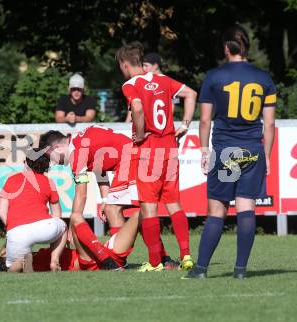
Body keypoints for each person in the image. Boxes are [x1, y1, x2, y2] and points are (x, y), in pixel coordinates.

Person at [185, 25, 276, 279]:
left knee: (217, 210)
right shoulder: (263, 78)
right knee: (246, 209)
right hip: (252, 150)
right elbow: (269, 124)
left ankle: (201, 270)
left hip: (226, 152)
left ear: (227, 48)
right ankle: (240, 271)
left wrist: (204, 151)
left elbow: (204, 121)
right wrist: (266, 155)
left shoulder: (214, 76)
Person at [39, 125, 180, 270]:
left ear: (57, 147)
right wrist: (105, 200)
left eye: (51, 158)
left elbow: (81, 194)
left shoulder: (76, 153)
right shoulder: (82, 139)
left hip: (133, 160)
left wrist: (72, 226)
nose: (54, 163)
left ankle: (142, 259)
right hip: (137, 158)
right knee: (117, 209)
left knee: (120, 210)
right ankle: (154, 259)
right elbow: (100, 169)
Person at [116, 42, 197, 272]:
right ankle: (186, 255)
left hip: (148, 149)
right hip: (169, 146)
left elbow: (138, 109)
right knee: (174, 204)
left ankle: (154, 262)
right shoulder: (162, 79)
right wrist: (185, 125)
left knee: (149, 208)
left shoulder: (130, 84)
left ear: (124, 65)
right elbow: (191, 94)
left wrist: (140, 134)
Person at [0, 212, 140, 272]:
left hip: (100, 252)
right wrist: (8, 261)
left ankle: (162, 260)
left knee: (141, 213)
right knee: (75, 217)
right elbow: (13, 265)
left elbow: (11, 242)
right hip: (86, 261)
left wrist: (5, 246)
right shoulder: (23, 263)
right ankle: (108, 262)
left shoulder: (34, 255)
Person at [0, 148, 67, 273]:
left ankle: (18, 264)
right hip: (44, 228)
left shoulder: (11, 179)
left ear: (27, 163)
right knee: (63, 227)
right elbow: (57, 215)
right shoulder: (49, 182)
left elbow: (1, 212)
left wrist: (11, 228)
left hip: (17, 232)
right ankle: (54, 260)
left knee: (12, 265)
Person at [125, 53, 164, 122]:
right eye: (143, 65)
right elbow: (134, 105)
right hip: (144, 125)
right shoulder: (141, 82)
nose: (143, 68)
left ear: (155, 66)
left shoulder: (168, 83)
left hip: (161, 125)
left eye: (146, 65)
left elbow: (171, 106)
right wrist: (126, 124)